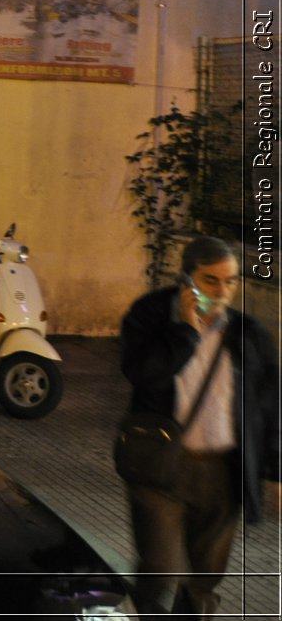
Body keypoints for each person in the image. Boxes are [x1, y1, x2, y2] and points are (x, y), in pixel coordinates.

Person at [119, 236, 280, 618]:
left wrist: (275, 472)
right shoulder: (150, 316)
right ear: (186, 278)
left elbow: (271, 406)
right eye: (211, 280)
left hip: (223, 472)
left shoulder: (249, 334)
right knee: (160, 570)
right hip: (160, 464)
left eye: (230, 281)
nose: (223, 291)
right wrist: (186, 334)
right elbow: (143, 374)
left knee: (204, 579)